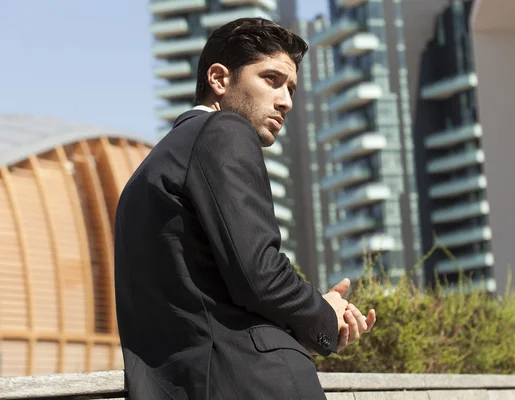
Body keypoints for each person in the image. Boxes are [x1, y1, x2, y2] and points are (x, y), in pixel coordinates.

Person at [114, 17, 376, 400]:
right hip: (254, 384)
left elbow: (215, 293)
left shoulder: (148, 172)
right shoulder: (222, 131)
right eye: (271, 79)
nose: (286, 100)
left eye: (291, 88)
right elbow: (260, 273)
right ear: (219, 79)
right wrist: (323, 311)